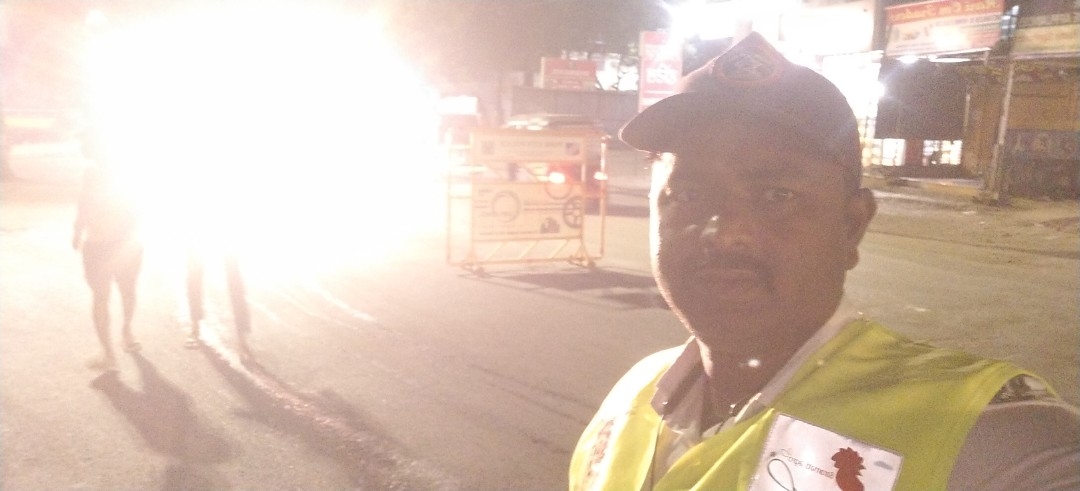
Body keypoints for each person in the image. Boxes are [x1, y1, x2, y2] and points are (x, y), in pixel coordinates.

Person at [569, 32, 1079, 491]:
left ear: (852, 226)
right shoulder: (633, 396)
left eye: (777, 196)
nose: (725, 233)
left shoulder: (976, 429)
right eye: (689, 195)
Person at [73, 134, 143, 371]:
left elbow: (83, 206)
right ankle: (125, 334)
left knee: (102, 297)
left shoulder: (93, 175)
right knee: (126, 291)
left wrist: (77, 231)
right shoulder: (124, 172)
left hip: (103, 245)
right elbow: (138, 210)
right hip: (123, 245)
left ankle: (110, 351)